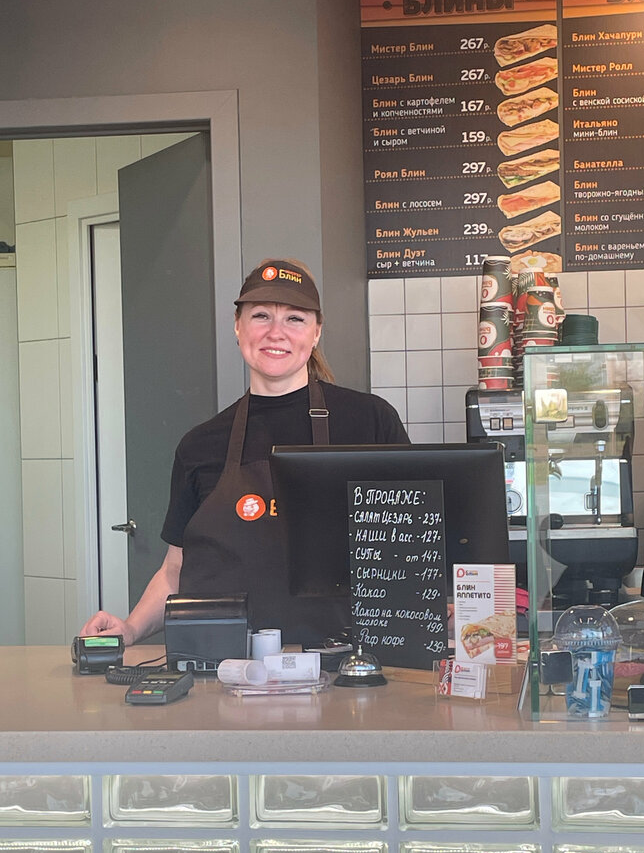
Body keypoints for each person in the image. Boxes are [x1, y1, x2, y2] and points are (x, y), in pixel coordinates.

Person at [80, 257, 409, 646]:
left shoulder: (369, 422)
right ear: (238, 327)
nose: (276, 333)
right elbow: (175, 569)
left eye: (295, 319)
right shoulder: (201, 444)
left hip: (344, 664)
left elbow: (412, 543)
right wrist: (131, 628)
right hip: (227, 665)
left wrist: (446, 605)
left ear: (316, 332)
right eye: (261, 316)